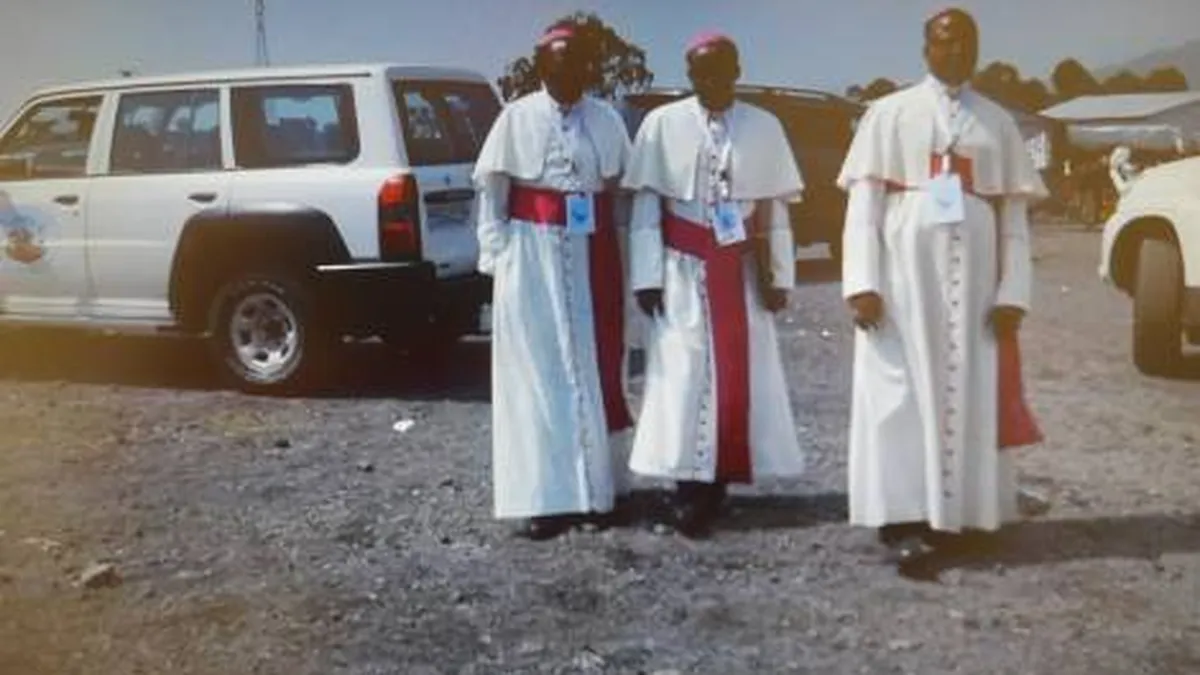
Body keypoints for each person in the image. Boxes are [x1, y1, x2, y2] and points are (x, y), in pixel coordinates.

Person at [837, 7, 1047, 579]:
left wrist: (1013, 293)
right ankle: (903, 519)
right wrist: (862, 283)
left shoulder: (997, 121)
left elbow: (1014, 219)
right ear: (925, 48)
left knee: (970, 387)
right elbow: (863, 208)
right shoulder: (888, 113)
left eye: (964, 42)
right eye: (943, 41)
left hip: (976, 283)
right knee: (900, 393)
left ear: (976, 49)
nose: (954, 51)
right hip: (904, 279)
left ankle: (966, 515)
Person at [622, 32, 806, 539]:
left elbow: (775, 211)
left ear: (736, 71)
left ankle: (720, 476)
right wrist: (647, 277)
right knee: (682, 374)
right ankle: (687, 483)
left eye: (720, 70)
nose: (711, 80)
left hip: (739, 271)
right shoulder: (662, 124)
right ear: (690, 74)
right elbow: (646, 208)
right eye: (701, 72)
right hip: (681, 269)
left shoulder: (764, 126)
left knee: (739, 372)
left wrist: (779, 276)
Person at [472, 24, 635, 540]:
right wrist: (498, 259)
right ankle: (544, 498)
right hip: (532, 253)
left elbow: (622, 190)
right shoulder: (515, 117)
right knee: (539, 371)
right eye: (559, 65)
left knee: (593, 365)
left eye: (579, 64)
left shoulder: (606, 118)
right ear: (542, 67)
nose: (569, 75)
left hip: (593, 252)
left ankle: (598, 492)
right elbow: (492, 194)